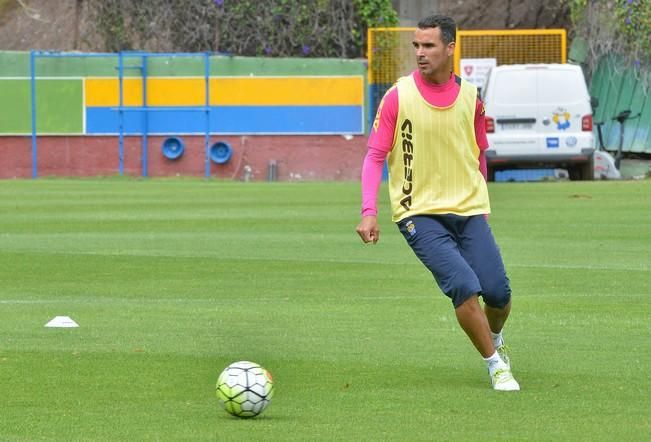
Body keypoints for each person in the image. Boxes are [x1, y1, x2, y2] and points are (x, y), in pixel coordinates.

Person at [355, 14, 519, 391]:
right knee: (463, 284)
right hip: (419, 214)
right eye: (416, 46)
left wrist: (482, 202)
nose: (420, 53)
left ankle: (494, 338)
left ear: (449, 48)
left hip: (469, 211)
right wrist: (369, 211)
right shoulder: (398, 95)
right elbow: (374, 156)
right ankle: (496, 366)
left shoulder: (471, 98)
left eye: (428, 45)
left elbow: (479, 153)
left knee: (498, 293)